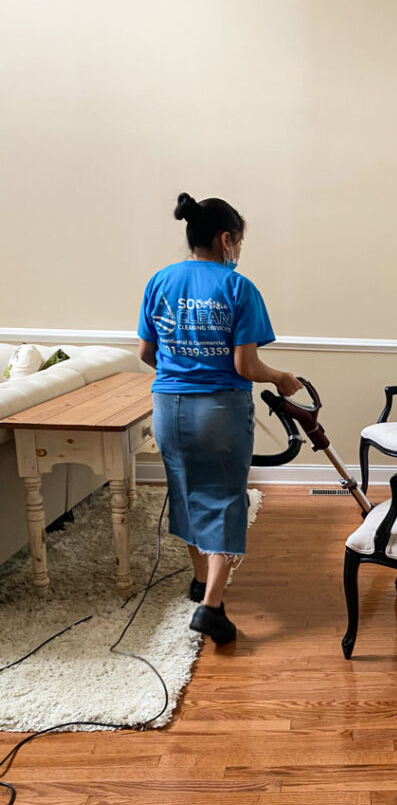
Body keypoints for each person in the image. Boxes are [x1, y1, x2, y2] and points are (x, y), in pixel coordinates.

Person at [137, 192, 301, 644]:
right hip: (220, 408)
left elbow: (146, 353)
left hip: (168, 406)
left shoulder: (160, 281)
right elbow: (247, 367)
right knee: (227, 498)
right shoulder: (239, 288)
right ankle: (211, 607)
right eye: (239, 241)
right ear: (225, 238)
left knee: (186, 489)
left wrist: (182, 371)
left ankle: (198, 580)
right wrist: (281, 377)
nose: (240, 251)